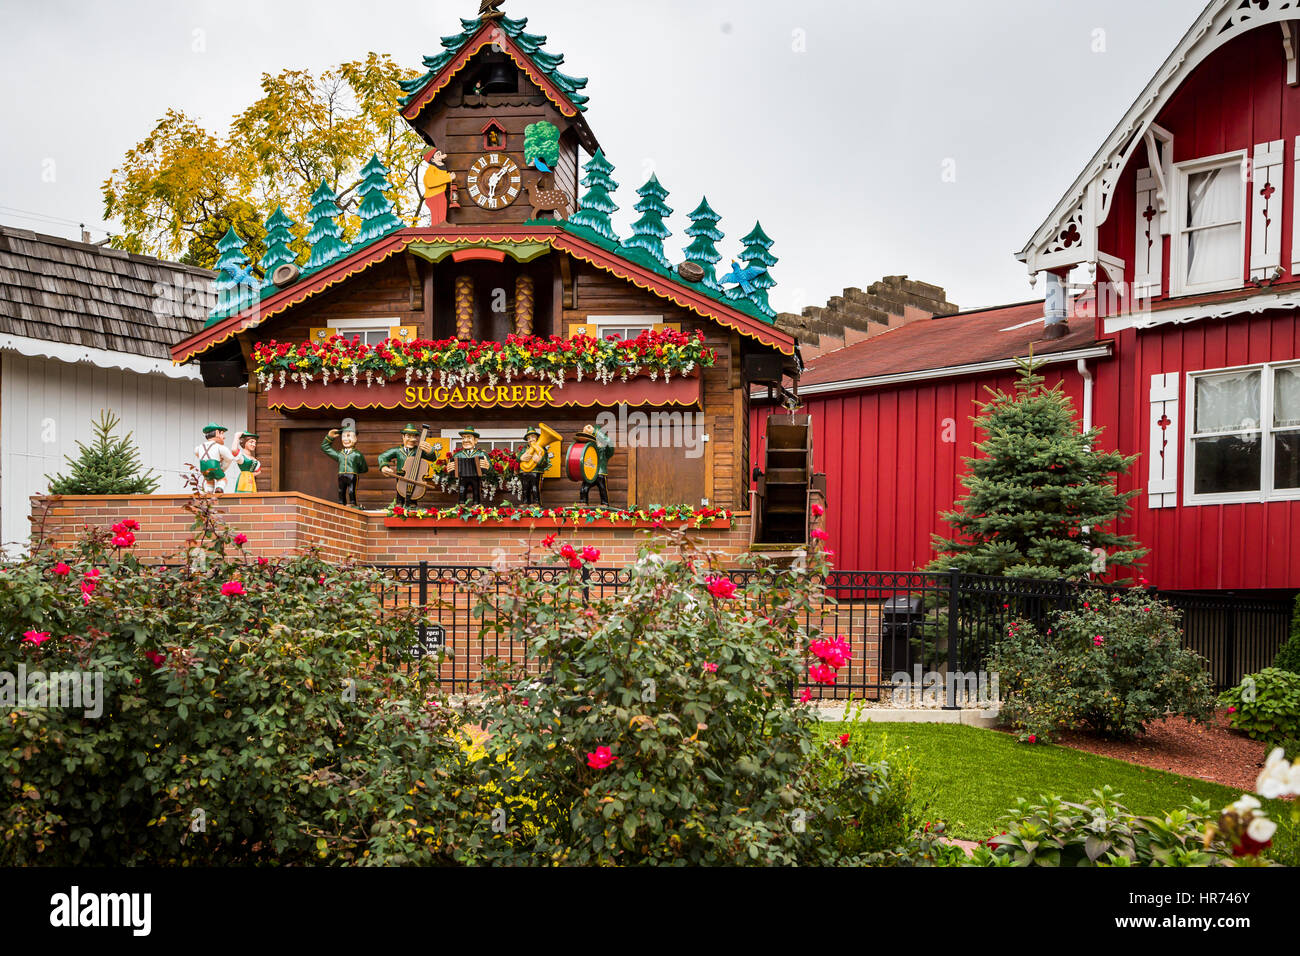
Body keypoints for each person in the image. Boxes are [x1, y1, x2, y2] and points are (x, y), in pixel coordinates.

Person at [378, 424, 440, 509]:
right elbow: (383, 456)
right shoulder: (397, 450)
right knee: (400, 490)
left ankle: (413, 503)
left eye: (414, 436)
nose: (412, 439)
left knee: (414, 490)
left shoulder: (419, 451)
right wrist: (384, 466)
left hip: (416, 476)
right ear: (403, 437)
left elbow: (432, 458)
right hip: (401, 474)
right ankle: (399, 503)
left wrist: (431, 452)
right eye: (408, 436)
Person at [321, 419, 368, 508]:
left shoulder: (357, 454)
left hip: (352, 475)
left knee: (351, 491)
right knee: (340, 491)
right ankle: (341, 504)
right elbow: (325, 447)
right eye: (343, 436)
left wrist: (357, 470)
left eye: (349, 436)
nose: (346, 439)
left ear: (355, 438)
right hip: (341, 475)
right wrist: (329, 437)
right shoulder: (340, 454)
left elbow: (364, 468)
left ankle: (353, 503)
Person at [575, 423, 614, 507]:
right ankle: (583, 502)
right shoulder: (590, 447)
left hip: (600, 471)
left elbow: (609, 444)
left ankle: (604, 503)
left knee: (602, 488)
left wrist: (595, 432)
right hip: (590, 471)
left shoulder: (604, 450)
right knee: (584, 488)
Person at [193, 423, 236, 494]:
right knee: (222, 479)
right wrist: (222, 468)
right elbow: (230, 458)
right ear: (217, 433)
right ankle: (219, 488)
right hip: (214, 466)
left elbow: (196, 452)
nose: (224, 437)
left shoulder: (200, 447)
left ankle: (207, 492)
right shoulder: (218, 447)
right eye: (222, 434)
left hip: (203, 468)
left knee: (209, 482)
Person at [452, 427, 490, 506]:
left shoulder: (481, 454)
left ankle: (476, 504)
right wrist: (450, 468)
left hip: (476, 477)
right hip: (462, 478)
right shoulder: (458, 455)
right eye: (463, 438)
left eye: (469, 437)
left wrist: (488, 467)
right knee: (462, 490)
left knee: (476, 490)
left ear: (475, 440)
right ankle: (461, 504)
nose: (465, 440)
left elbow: (491, 470)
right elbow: (452, 470)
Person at [519, 425, 553, 506]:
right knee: (525, 488)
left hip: (535, 471)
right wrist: (520, 457)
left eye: (533, 437)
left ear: (537, 438)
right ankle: (525, 502)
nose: (531, 440)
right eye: (529, 438)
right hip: (524, 471)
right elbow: (518, 457)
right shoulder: (524, 449)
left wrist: (539, 460)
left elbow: (545, 462)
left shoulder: (542, 449)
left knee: (535, 487)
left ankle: (536, 502)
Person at [423, 148, 458, 226]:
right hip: (433, 196)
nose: (441, 156)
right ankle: (436, 225)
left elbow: (441, 177)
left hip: (440, 194)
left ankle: (442, 222)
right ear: (432, 159)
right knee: (437, 211)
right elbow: (430, 182)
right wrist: (448, 178)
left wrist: (449, 177)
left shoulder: (440, 169)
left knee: (442, 206)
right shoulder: (431, 169)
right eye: (438, 155)